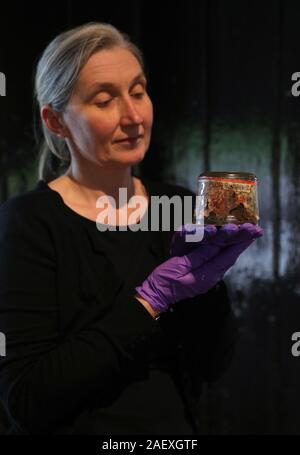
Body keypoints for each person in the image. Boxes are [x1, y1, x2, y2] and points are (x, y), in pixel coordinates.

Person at [0, 22, 263, 435]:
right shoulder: (29, 222)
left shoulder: (174, 206)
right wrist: (150, 300)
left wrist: (210, 287)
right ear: (55, 121)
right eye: (105, 100)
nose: (134, 116)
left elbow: (211, 366)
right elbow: (26, 398)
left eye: (138, 92)